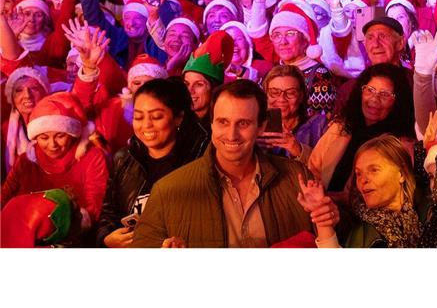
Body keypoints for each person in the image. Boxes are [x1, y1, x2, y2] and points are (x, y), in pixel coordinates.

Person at [130, 79, 338, 247]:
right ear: (211, 123)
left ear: (261, 126)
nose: (232, 134)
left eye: (244, 123)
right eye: (223, 122)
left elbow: (328, 240)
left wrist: (329, 219)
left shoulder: (297, 178)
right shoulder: (169, 190)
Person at [96, 78, 208, 247]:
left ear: (178, 118)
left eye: (156, 117)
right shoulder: (124, 158)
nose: (146, 125)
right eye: (138, 117)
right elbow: (108, 213)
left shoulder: (199, 160)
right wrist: (107, 238)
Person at [1, 92, 109, 244]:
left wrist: (67, 229)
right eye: (44, 138)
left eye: (60, 136)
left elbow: (95, 206)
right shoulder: (27, 160)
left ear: (72, 134)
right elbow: (5, 195)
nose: (52, 145)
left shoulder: (92, 157)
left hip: (76, 239)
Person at [299, 135, 425, 248]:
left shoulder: (426, 209)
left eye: (374, 170)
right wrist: (323, 221)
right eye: (358, 173)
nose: (363, 180)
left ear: (401, 173)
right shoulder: (355, 225)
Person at [308, 63, 414, 194]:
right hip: (322, 206)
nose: (374, 99)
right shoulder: (341, 127)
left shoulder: (400, 144)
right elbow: (313, 169)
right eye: (370, 90)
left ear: (398, 102)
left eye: (385, 94)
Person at [257, 64, 328, 164]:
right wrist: (252, 149)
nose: (281, 99)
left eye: (290, 93)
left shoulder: (319, 125)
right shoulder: (255, 126)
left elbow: (327, 170)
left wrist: (298, 150)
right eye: (274, 92)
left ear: (301, 96)